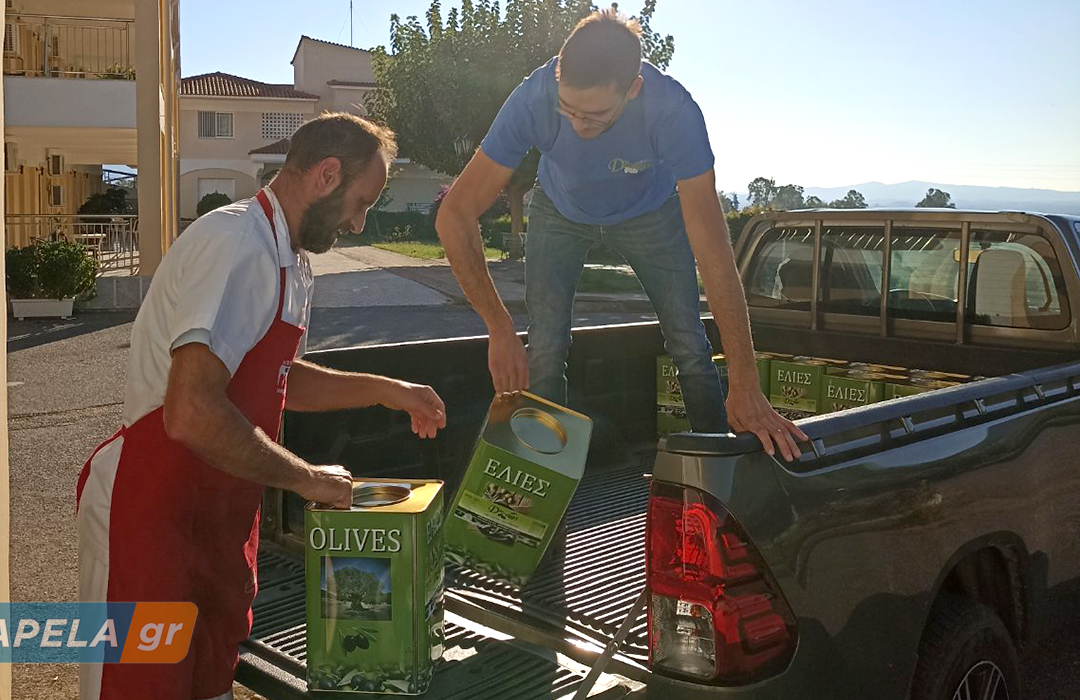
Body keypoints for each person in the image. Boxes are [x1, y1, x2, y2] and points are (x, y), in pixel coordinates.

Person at [75, 113, 447, 700]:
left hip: (219, 512)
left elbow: (276, 377)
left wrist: (386, 389)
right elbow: (191, 410)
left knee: (209, 680)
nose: (358, 222)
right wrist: (309, 480)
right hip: (151, 509)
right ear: (327, 174)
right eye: (362, 202)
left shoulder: (291, 260)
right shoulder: (236, 243)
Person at [436, 9, 806, 459]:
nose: (579, 126)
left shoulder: (673, 112)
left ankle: (715, 466)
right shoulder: (533, 98)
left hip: (651, 213)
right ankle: (545, 475)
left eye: (595, 116)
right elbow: (454, 214)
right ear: (558, 74)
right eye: (568, 110)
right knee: (546, 345)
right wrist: (498, 326)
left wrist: (746, 384)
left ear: (633, 89)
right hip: (560, 209)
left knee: (689, 341)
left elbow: (713, 250)